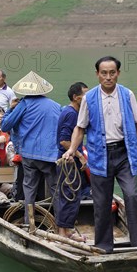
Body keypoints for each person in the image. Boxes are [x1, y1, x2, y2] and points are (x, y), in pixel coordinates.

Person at [63, 56, 137, 253]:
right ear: (97, 74)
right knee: (102, 201)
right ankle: (104, 245)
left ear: (118, 74)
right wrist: (71, 150)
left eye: (112, 73)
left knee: (131, 195)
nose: (108, 77)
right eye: (104, 73)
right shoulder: (89, 98)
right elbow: (80, 128)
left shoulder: (127, 94)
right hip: (99, 155)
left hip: (124, 153)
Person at [1, 71, 62, 230]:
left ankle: (30, 223)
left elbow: (5, 126)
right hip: (50, 154)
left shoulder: (24, 104)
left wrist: (10, 109)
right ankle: (62, 225)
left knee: (29, 188)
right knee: (55, 189)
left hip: (29, 154)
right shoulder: (56, 106)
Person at [56, 82, 89, 242]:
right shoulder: (70, 114)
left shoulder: (75, 112)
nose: (87, 98)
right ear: (76, 97)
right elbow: (64, 141)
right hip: (67, 161)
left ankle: (67, 230)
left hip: (70, 161)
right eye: (85, 95)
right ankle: (63, 233)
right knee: (68, 195)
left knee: (73, 195)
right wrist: (79, 155)